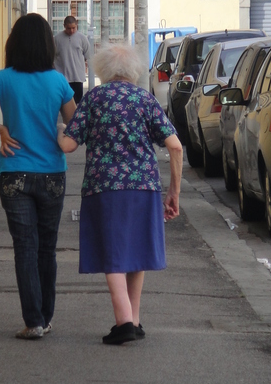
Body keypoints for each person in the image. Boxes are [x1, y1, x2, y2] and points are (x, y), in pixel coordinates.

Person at [0, 14, 76, 340]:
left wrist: (0, 128)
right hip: (52, 173)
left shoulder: (3, 79)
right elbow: (76, 128)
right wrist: (61, 135)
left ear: (14, 44)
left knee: (25, 247)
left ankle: (33, 322)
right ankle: (46, 318)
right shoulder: (58, 82)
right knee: (46, 249)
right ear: (48, 46)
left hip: (14, 174)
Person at [57, 43, 183, 345]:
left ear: (102, 70)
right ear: (134, 70)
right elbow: (175, 146)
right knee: (136, 251)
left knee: (110, 251)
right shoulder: (145, 99)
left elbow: (68, 146)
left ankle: (124, 321)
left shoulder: (95, 98)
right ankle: (134, 319)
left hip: (104, 186)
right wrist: (173, 192)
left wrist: (60, 128)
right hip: (144, 186)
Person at [54, 16, 90, 104]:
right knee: (64, 103)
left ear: (77, 25)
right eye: (68, 28)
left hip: (78, 77)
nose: (71, 31)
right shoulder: (57, 39)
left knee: (77, 102)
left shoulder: (82, 38)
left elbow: (88, 54)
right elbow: (52, 56)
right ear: (64, 26)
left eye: (74, 28)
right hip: (63, 77)